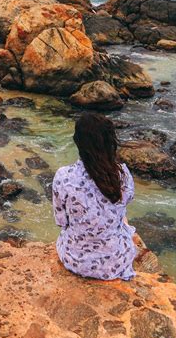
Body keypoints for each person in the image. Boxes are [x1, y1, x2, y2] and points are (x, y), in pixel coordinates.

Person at [52, 112, 137, 280]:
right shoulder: (122, 174)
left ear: (77, 142)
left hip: (74, 260)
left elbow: (61, 221)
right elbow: (126, 201)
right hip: (115, 263)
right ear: (110, 142)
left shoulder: (63, 176)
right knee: (122, 217)